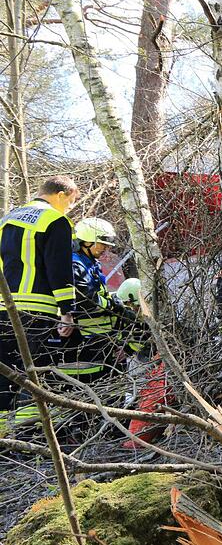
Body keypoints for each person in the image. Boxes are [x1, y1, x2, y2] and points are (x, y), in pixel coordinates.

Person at [0, 176, 80, 413]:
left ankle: (4, 440)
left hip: (2, 309)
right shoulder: (56, 220)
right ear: (61, 195)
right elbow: (59, 269)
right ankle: (32, 438)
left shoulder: (6, 219)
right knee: (35, 378)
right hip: (36, 311)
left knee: (4, 379)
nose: (71, 207)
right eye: (72, 201)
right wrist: (67, 311)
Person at [70, 217, 138, 381]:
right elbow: (88, 300)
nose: (106, 248)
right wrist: (114, 305)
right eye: (102, 243)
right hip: (84, 346)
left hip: (101, 345)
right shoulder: (75, 265)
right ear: (87, 241)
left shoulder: (90, 263)